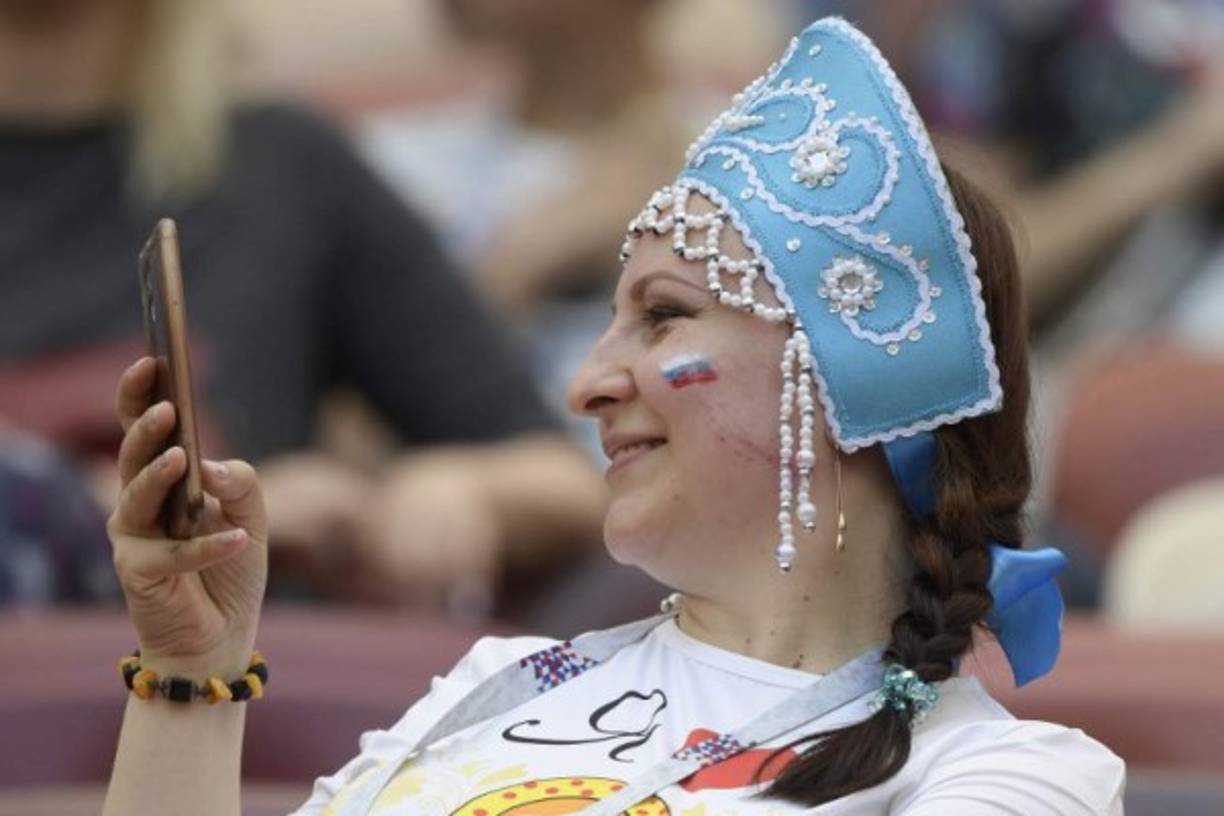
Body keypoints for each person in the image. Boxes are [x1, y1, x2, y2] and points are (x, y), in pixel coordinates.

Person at [101, 17, 1124, 815]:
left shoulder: (1006, 775)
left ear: (844, 376)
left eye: (664, 318)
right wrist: (192, 671)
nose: (587, 383)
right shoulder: (505, 681)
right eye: (607, 325)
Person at [0, 0, 605, 610]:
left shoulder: (285, 165)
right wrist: (178, 505)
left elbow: (560, 476)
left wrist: (458, 491)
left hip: (221, 679)